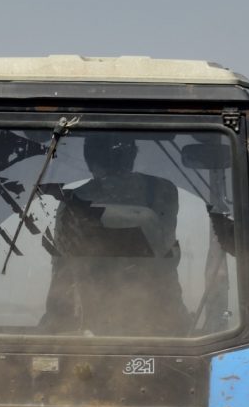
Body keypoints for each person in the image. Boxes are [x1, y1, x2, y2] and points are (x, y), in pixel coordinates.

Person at [41, 133, 185, 335]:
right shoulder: (164, 191)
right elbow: (166, 249)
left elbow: (62, 264)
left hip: (87, 314)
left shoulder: (73, 201)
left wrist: (55, 319)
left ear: (90, 161)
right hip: (159, 315)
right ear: (132, 158)